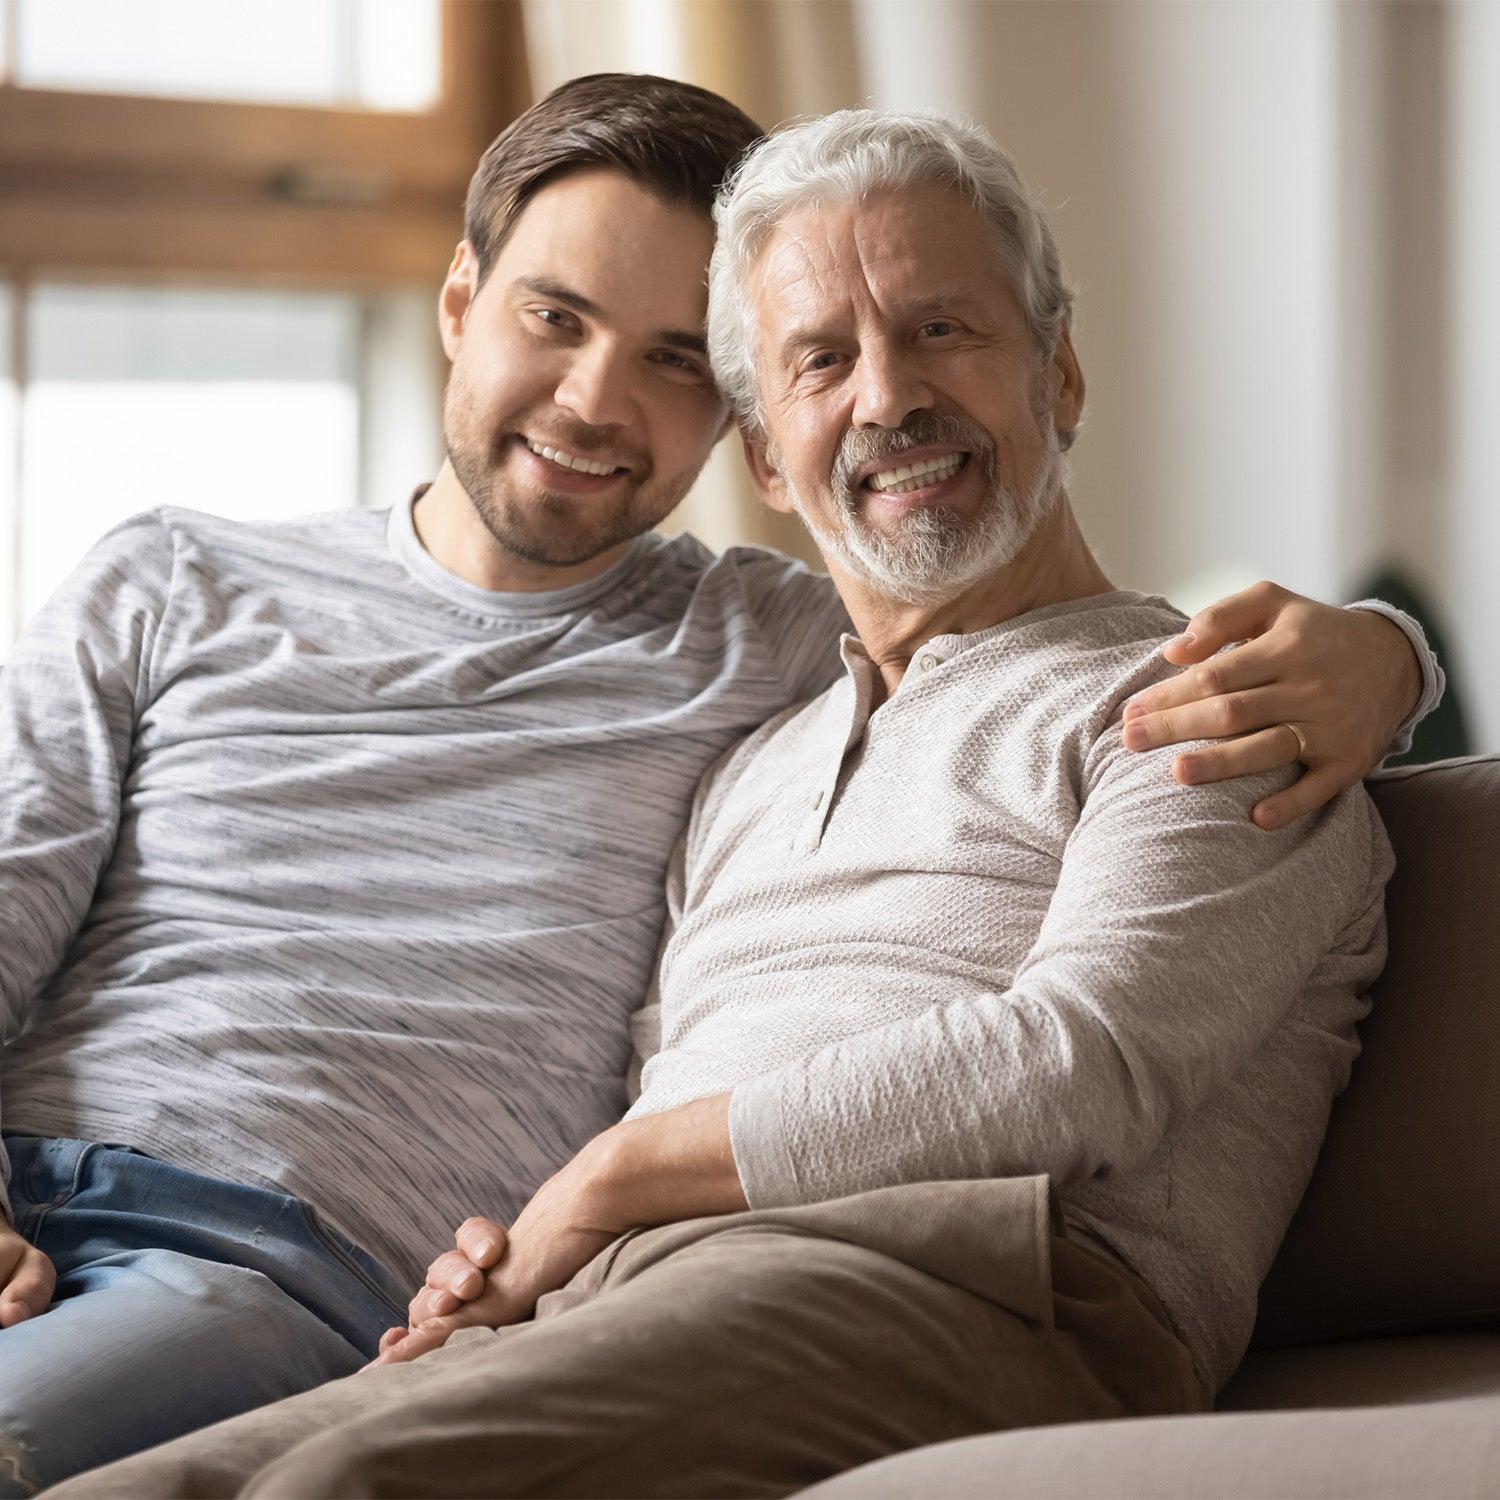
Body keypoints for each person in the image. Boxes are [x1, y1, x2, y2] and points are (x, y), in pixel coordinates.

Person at [6, 79, 1433, 1495]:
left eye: (944, 328)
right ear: (766, 454)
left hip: (968, 1275)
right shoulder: (762, 745)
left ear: (1059, 373)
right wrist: (512, 1267)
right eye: (818, 360)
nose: (889, 395)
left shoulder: (1210, 703)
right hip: (608, 1293)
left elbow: (1085, 1064)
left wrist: (1390, 654)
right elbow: (651, 1062)